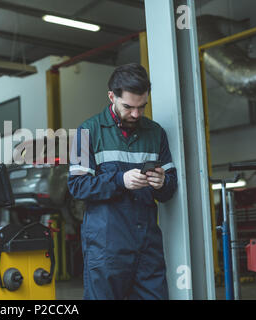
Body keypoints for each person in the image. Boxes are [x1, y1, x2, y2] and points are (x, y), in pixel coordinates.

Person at [67, 63, 178, 300]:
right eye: (128, 107)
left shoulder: (156, 133)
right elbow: (77, 186)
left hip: (147, 246)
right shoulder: (87, 131)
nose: (136, 114)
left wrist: (161, 183)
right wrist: (120, 180)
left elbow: (170, 189)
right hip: (107, 247)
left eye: (142, 107)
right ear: (111, 97)